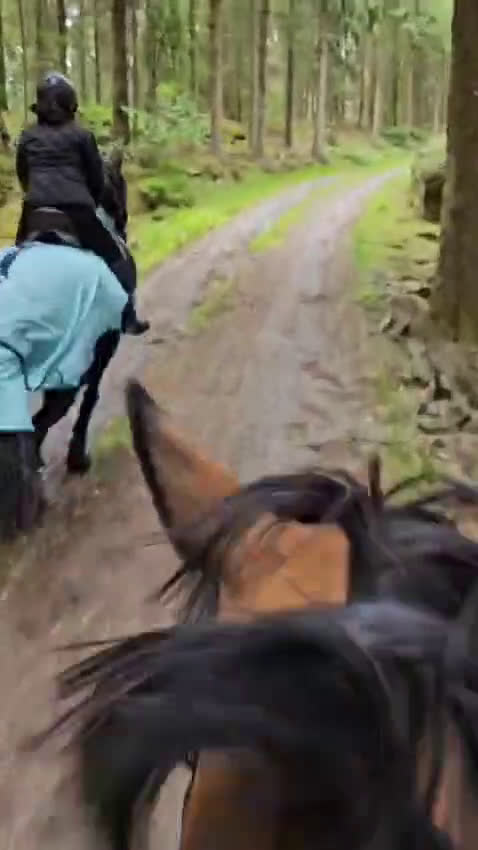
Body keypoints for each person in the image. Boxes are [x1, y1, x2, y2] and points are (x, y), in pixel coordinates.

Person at [15, 71, 148, 335]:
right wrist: (92, 202)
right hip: (75, 212)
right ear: (70, 104)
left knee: (11, 265)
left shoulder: (27, 137)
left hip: (33, 213)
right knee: (116, 257)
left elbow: (24, 175)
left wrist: (36, 195)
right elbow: (97, 180)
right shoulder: (82, 136)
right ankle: (128, 318)